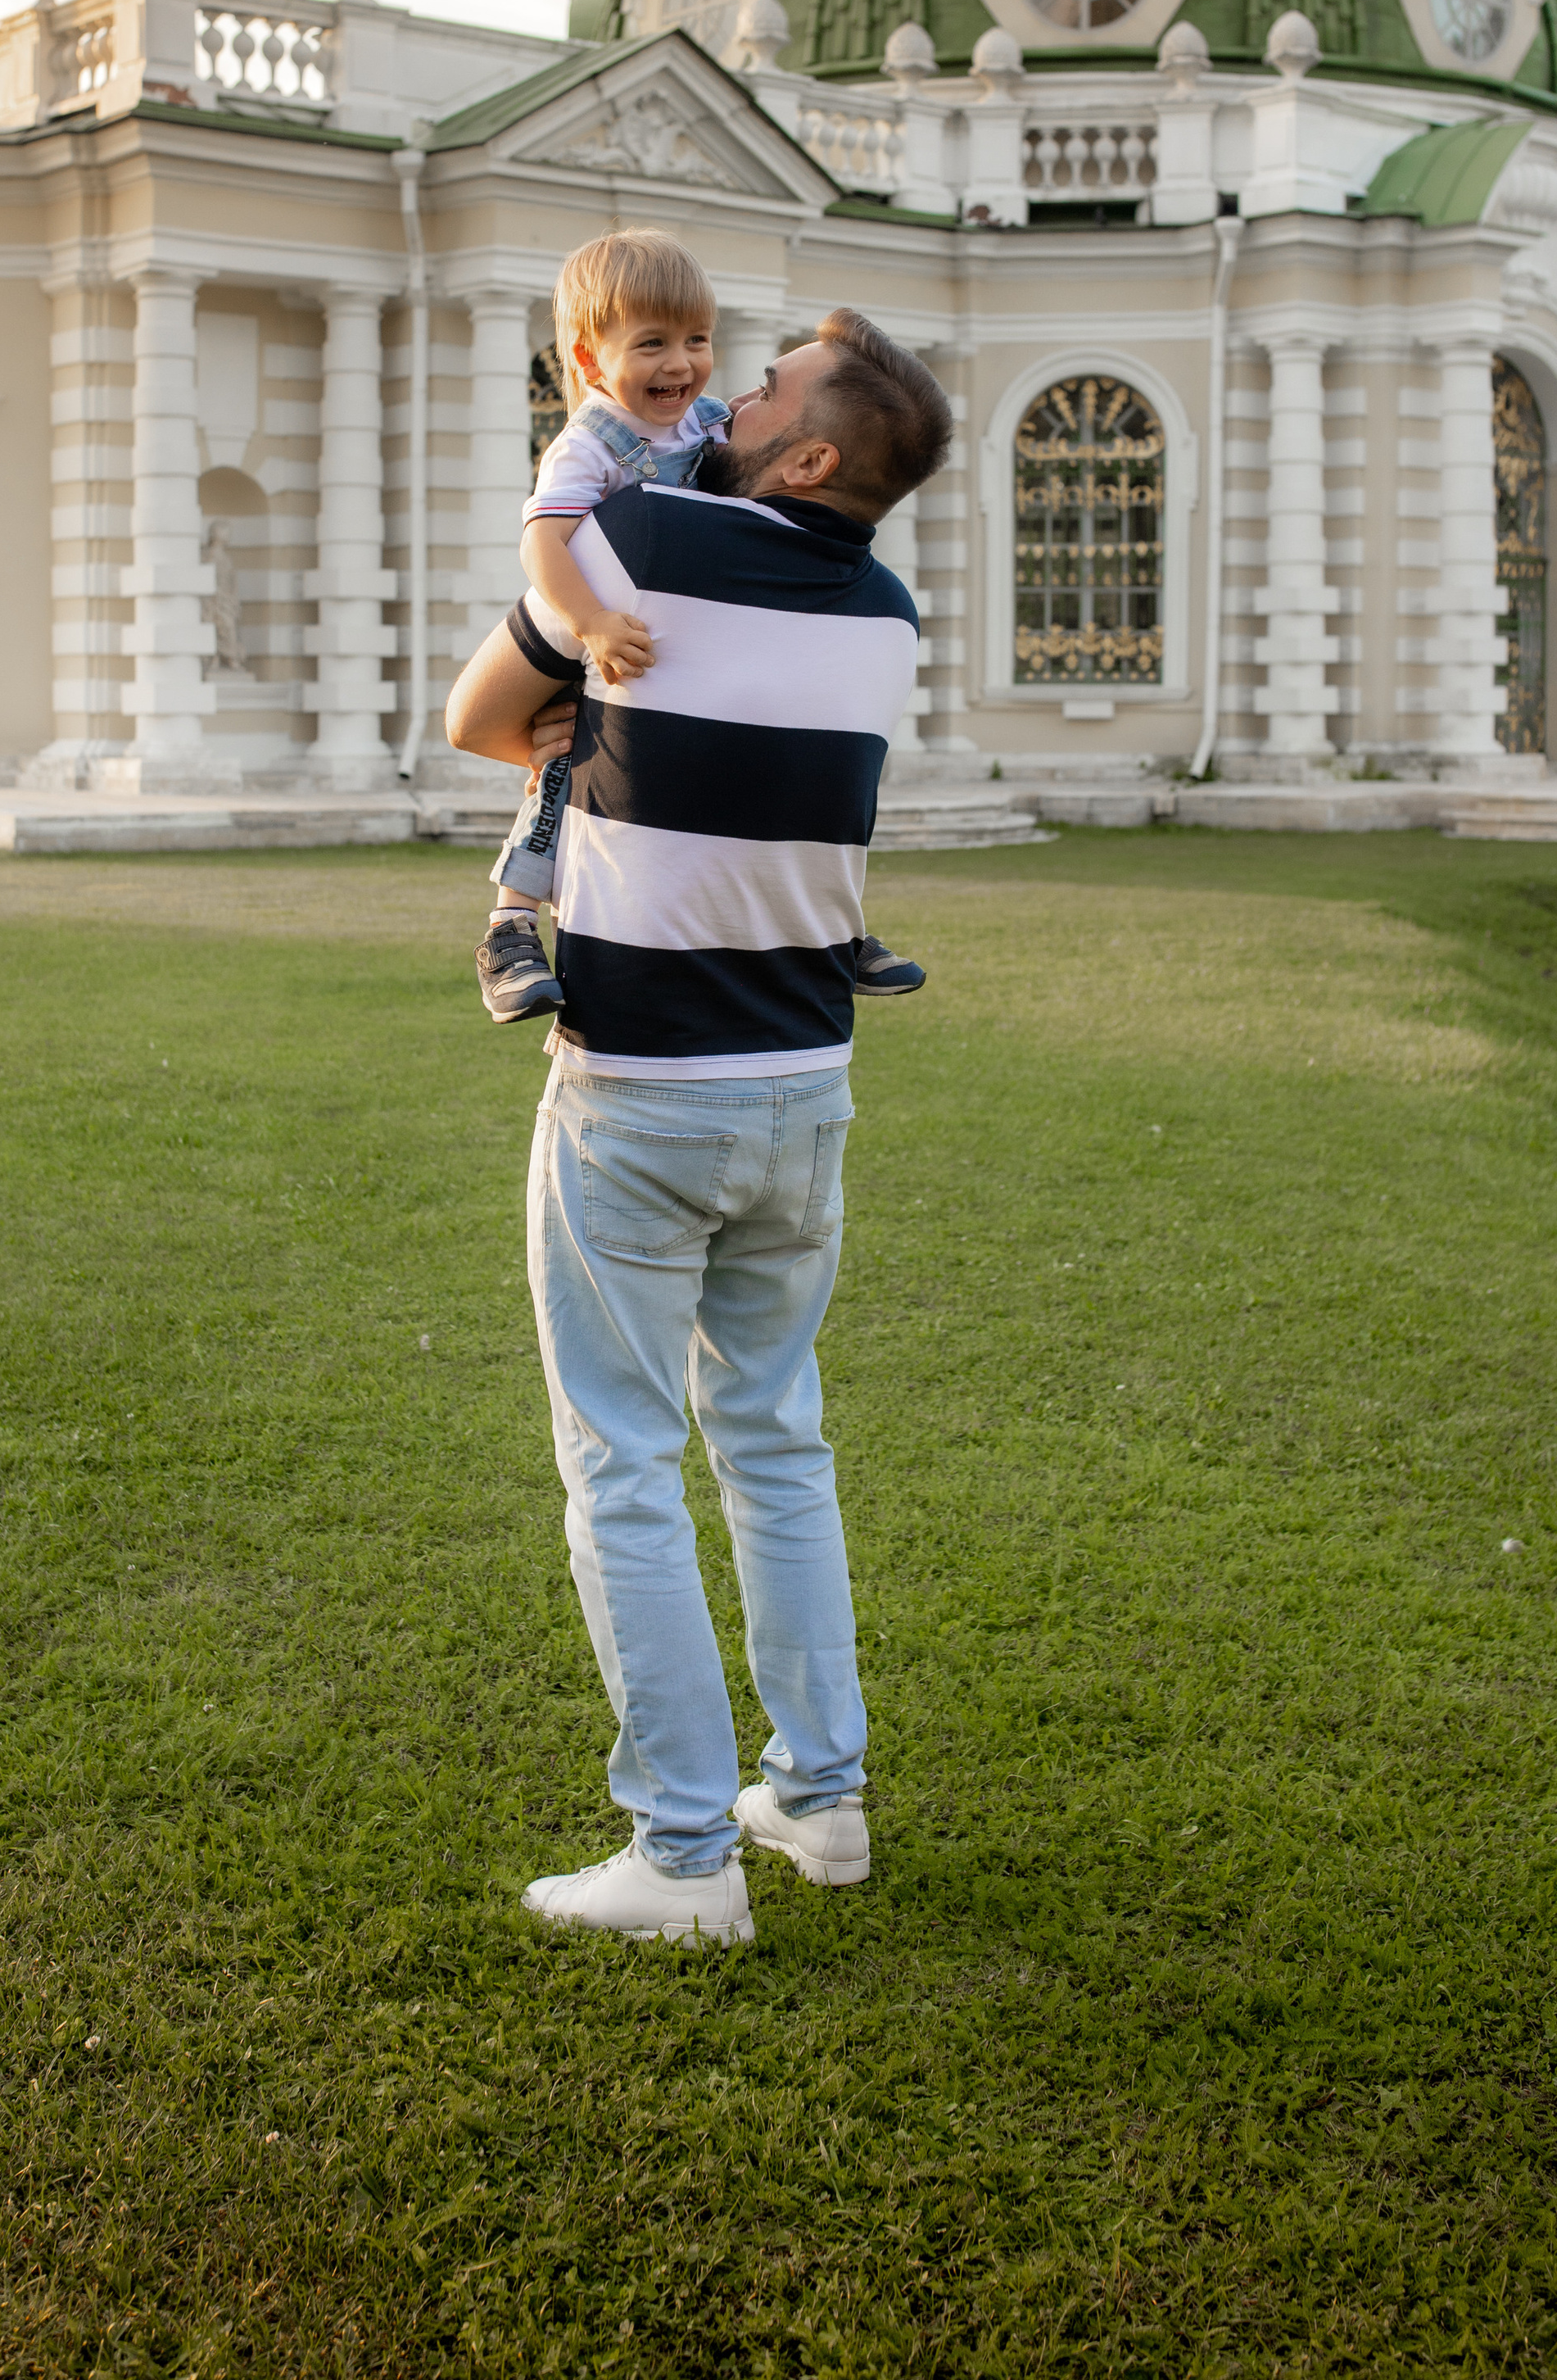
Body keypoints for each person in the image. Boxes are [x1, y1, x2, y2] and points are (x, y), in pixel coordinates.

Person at [445, 306, 953, 1945]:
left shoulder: (640, 533)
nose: (728, 390)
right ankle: (818, 1800)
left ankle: (679, 1857)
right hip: (803, 1087)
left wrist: (582, 726)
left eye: (770, 386)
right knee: (775, 1441)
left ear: (803, 453)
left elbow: (475, 713)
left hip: (638, 1091)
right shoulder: (885, 613)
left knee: (620, 1462)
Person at [477, 231, 925, 1028]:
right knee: (554, 778)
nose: (684, 367)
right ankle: (509, 925)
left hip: (657, 1031)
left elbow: (470, 718)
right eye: (652, 344)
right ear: (588, 362)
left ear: (811, 461)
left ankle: (832, 927)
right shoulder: (596, 453)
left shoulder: (698, 428)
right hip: (598, 634)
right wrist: (591, 622)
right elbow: (541, 538)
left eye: (698, 342)